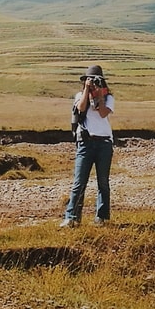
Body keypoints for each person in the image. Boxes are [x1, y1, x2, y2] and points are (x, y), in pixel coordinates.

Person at [61, 65, 115, 227]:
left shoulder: (108, 97)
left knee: (103, 182)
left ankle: (102, 217)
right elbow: (81, 107)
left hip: (104, 143)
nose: (93, 83)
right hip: (85, 142)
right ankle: (72, 217)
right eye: (90, 80)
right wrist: (86, 90)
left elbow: (103, 113)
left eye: (96, 80)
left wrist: (99, 95)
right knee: (79, 181)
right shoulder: (79, 95)